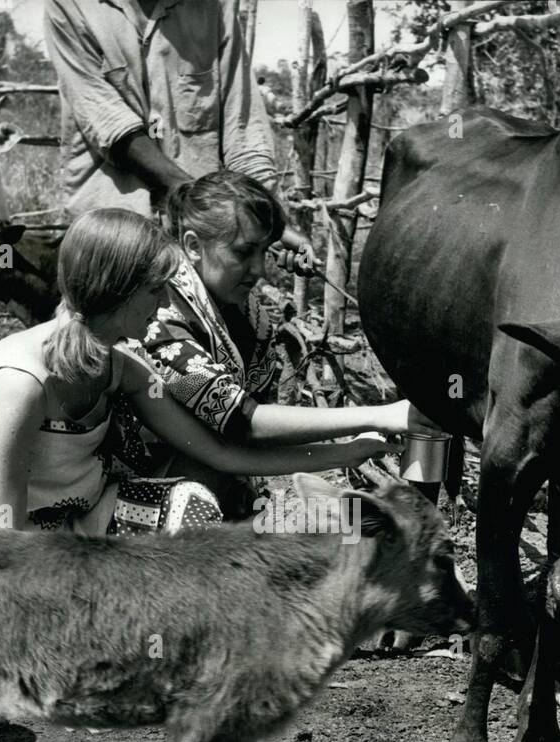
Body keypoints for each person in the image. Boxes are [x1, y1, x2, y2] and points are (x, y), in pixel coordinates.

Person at [0, 207, 400, 535]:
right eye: (155, 290)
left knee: (190, 507)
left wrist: (351, 452)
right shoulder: (21, 383)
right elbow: (1, 528)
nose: (163, 305)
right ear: (117, 290)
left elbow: (224, 455)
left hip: (70, 528)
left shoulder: (123, 369)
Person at [131, 170, 424, 519]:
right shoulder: (160, 316)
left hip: (226, 482)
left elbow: (251, 440)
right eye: (243, 252)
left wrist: (350, 451)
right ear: (194, 246)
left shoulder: (249, 315)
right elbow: (243, 422)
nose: (258, 269)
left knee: (345, 531)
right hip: (162, 497)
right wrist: (377, 415)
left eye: (264, 251)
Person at [42, 0, 316, 272]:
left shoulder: (214, 7)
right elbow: (110, 124)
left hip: (199, 245)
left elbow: (243, 131)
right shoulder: (71, 5)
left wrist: (267, 218)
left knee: (221, 314)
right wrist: (213, 206)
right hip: (111, 238)